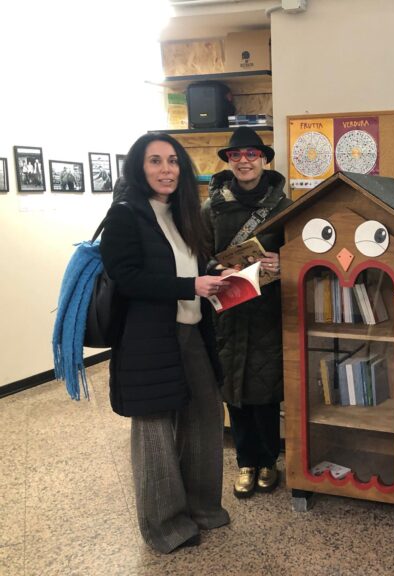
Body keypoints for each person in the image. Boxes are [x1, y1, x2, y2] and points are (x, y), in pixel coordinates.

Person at [100, 132, 231, 553]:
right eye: (155, 161)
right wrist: (191, 283)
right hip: (148, 338)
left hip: (191, 330)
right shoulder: (124, 215)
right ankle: (165, 525)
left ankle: (202, 508)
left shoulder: (183, 214)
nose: (166, 169)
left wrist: (222, 270)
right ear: (139, 168)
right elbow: (127, 277)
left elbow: (187, 265)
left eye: (173, 161)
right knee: (154, 428)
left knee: (205, 416)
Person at [202, 126, 291, 498]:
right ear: (228, 161)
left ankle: (269, 461)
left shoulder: (284, 206)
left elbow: (302, 252)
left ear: (264, 159)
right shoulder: (210, 208)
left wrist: (282, 260)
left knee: (266, 392)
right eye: (236, 156)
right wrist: (216, 269)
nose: (243, 161)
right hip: (227, 311)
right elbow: (199, 253)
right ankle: (245, 462)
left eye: (251, 155)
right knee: (234, 391)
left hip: (267, 311)